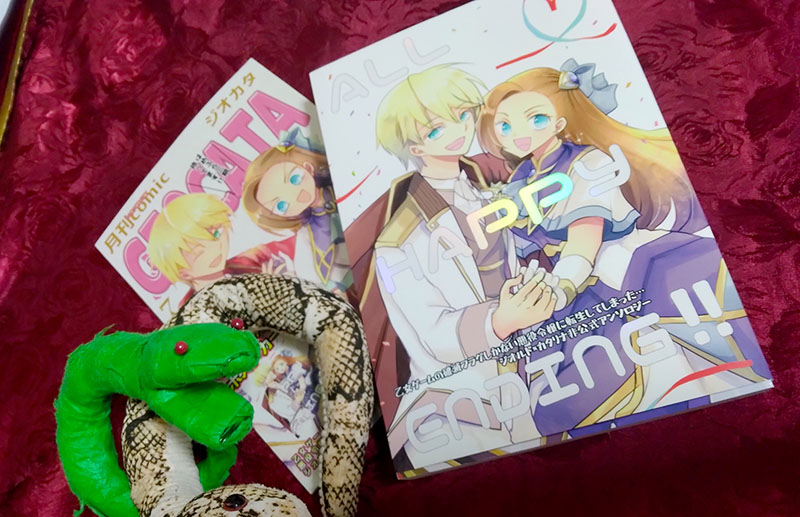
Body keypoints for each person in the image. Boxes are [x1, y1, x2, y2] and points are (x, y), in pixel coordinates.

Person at [477, 60, 767, 436]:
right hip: (562, 280)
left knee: (660, 356)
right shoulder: (521, 179)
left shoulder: (586, 162)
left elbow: (584, 239)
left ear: (560, 122)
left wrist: (561, 288)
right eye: (505, 125)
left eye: (536, 119)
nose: (519, 133)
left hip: (608, 265)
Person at [346, 64, 555, 470]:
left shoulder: (489, 189)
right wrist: (499, 321)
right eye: (436, 129)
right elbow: (429, 332)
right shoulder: (400, 239)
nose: (459, 130)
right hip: (455, 402)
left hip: (523, 369)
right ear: (414, 146)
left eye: (462, 115)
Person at [240, 128, 352, 293]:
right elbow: (314, 276)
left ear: (308, 167)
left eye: (294, 179)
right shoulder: (309, 234)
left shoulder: (336, 178)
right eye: (281, 205)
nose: (296, 195)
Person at [147, 193, 292, 306]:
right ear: (182, 273)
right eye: (199, 252)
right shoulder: (191, 316)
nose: (215, 248)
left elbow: (293, 246)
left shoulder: (249, 261)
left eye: (217, 234)